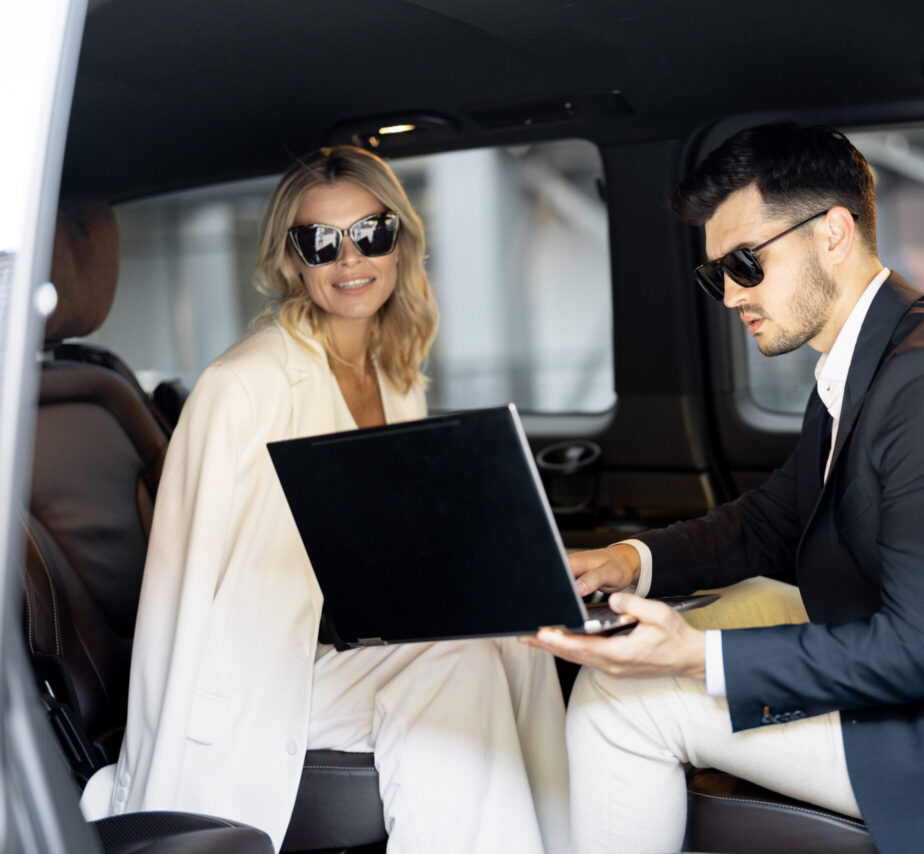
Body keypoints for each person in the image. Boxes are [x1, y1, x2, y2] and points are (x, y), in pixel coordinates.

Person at [527, 122, 924, 854]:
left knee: (619, 701)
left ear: (834, 234)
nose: (727, 295)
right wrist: (629, 561)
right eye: (714, 273)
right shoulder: (872, 354)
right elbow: (776, 520)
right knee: (710, 610)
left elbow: (920, 653)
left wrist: (692, 657)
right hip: (907, 667)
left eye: (745, 263)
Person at [79, 146, 570, 854]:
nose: (350, 261)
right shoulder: (242, 385)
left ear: (399, 241)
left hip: (350, 646)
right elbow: (178, 591)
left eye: (371, 234)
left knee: (520, 639)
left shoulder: (397, 372)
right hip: (258, 676)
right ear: (293, 259)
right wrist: (160, 774)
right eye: (321, 242)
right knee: (459, 667)